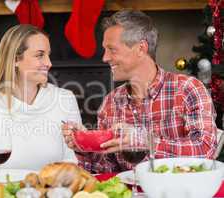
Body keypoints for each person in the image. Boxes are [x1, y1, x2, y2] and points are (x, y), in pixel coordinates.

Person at [62, 10, 217, 173]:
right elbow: (108, 170)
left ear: (141, 48)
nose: (105, 58)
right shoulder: (111, 102)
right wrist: (84, 147)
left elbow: (205, 151)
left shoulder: (188, 89)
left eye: (112, 49)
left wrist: (144, 141)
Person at [0, 24, 81, 176]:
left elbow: (74, 164)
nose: (49, 63)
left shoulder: (65, 99)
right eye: (40, 55)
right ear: (15, 60)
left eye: (48, 55)